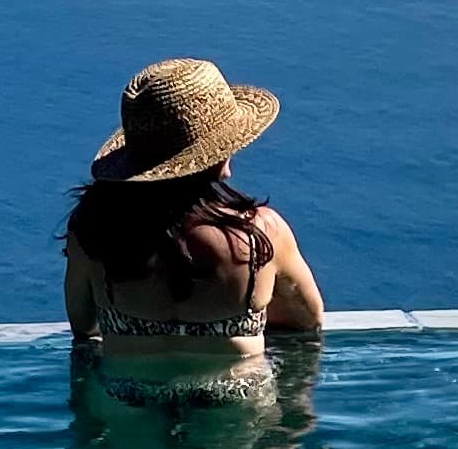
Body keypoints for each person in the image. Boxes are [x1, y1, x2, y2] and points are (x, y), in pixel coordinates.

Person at [63, 58, 322, 408]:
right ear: (218, 152)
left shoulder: (93, 231)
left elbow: (84, 326)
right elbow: (306, 320)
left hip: (127, 396)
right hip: (236, 399)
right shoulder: (261, 232)